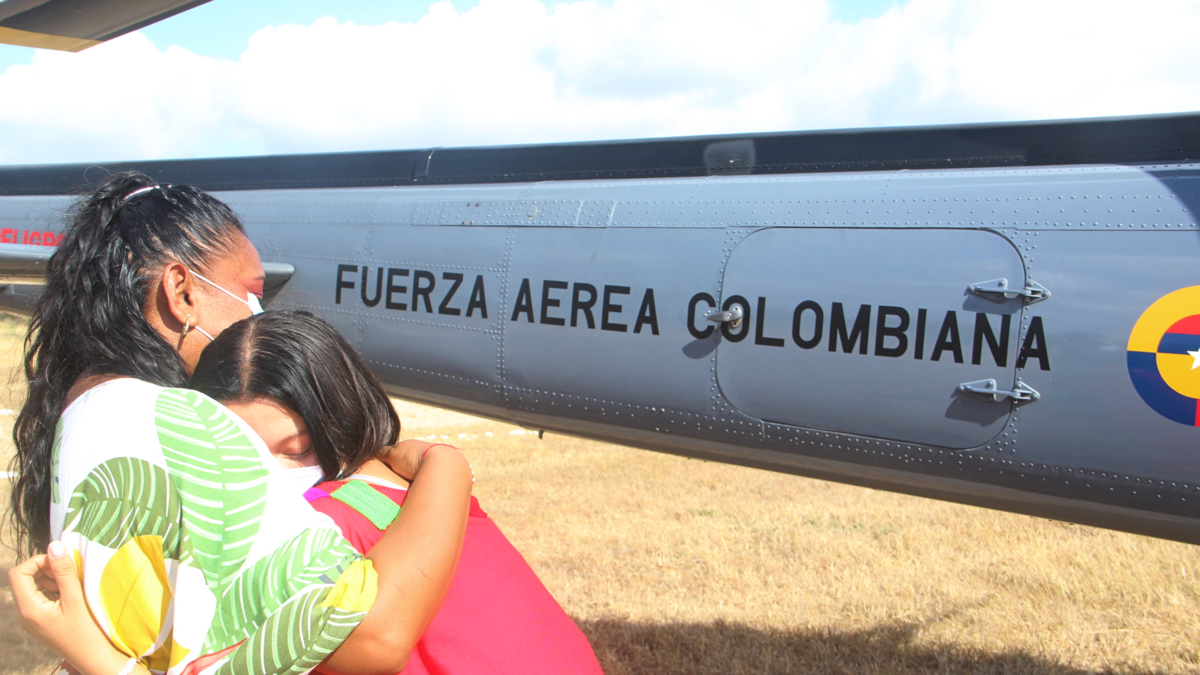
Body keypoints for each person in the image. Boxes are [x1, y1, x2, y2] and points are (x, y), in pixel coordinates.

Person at [6, 172, 473, 675]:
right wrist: (446, 465)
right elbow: (373, 634)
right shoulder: (178, 423)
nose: (259, 314)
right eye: (252, 293)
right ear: (182, 291)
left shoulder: (92, 409)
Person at [190, 310, 604, 675]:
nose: (269, 471)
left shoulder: (311, 525)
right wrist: (446, 460)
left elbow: (375, 641)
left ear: (337, 420)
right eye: (242, 453)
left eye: (296, 450)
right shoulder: (415, 488)